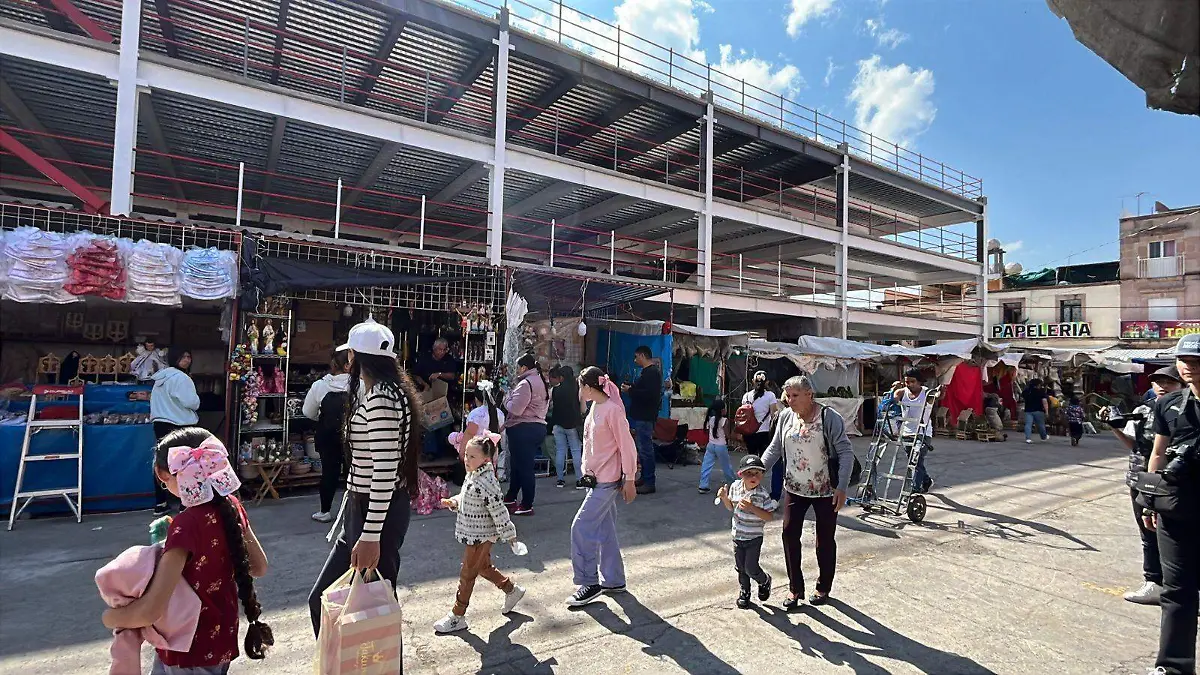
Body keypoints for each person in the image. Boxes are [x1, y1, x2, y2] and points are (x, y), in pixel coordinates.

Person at [103, 428, 271, 673]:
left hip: (186, 648)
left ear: (162, 474)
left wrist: (111, 618)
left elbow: (150, 610)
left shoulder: (186, 525)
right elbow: (259, 566)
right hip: (221, 637)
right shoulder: (231, 505)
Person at [308, 318, 422, 637]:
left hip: (376, 511)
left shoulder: (382, 398)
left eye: (350, 354)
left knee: (376, 614)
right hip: (368, 509)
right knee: (342, 604)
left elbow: (385, 469)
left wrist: (371, 534)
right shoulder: (385, 391)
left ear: (356, 358)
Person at [762, 375, 855, 609]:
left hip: (825, 490)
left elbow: (845, 452)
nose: (790, 400)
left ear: (809, 395)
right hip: (794, 487)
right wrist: (755, 471)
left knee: (824, 541)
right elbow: (774, 449)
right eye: (788, 396)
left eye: (795, 396)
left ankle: (823, 587)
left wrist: (841, 487)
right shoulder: (785, 417)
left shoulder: (828, 418)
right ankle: (795, 589)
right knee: (789, 535)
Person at [1145, 335, 1200, 675]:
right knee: (1177, 590)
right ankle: (1174, 667)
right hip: (1175, 505)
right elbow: (1158, 453)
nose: (1188, 365)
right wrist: (1150, 501)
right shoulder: (1168, 405)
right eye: (1184, 359)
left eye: (1196, 360)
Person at [433, 435, 526, 634]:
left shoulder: (487, 482)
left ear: (486, 459)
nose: (467, 460)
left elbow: (499, 511)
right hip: (474, 533)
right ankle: (512, 590)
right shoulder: (473, 474)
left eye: (472, 456)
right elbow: (467, 497)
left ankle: (457, 615)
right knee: (483, 568)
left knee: (467, 573)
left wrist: (510, 536)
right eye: (466, 455)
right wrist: (454, 502)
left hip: (481, 536)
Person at [1111, 366, 1183, 605]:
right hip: (1141, 478)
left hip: (1176, 481)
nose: (1162, 387)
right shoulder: (1142, 410)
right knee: (1147, 533)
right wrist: (1115, 427)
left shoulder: (1186, 411)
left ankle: (1183, 586)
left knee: (1179, 535)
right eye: (1157, 382)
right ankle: (1153, 581)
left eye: (1169, 382)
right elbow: (1134, 445)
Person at [568, 366, 638, 607]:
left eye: (581, 387)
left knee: (581, 526)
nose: (580, 391)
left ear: (588, 387)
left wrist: (630, 479)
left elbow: (627, 446)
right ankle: (614, 580)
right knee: (605, 531)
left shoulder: (613, 411)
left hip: (607, 481)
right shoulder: (596, 408)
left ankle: (589, 581)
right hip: (596, 480)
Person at [716, 455, 777, 609]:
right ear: (741, 474)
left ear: (762, 475)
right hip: (738, 535)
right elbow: (731, 507)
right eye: (749, 473)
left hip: (754, 536)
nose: (753, 477)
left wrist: (752, 508)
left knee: (750, 567)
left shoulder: (762, 495)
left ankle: (764, 580)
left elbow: (769, 516)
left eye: (757, 473)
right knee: (740, 568)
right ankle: (745, 592)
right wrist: (724, 497)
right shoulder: (736, 487)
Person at [150, 347, 201, 516]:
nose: (187, 360)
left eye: (188, 356)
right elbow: (192, 402)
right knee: (184, 464)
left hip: (160, 424)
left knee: (162, 463)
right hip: (180, 425)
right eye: (183, 357)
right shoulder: (181, 378)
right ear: (174, 359)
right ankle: (185, 503)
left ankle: (160, 502)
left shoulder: (160, 379)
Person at [303, 351, 352, 523]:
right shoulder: (358, 385)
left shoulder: (319, 386)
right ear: (347, 365)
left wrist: (322, 418)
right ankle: (352, 512)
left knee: (329, 473)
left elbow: (308, 412)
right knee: (352, 474)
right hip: (352, 436)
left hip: (327, 436)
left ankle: (325, 511)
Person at [503, 354, 549, 516]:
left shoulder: (526, 383)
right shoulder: (539, 381)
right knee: (518, 465)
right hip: (535, 427)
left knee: (524, 468)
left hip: (524, 428)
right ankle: (511, 496)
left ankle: (527, 504)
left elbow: (515, 409)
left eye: (518, 367)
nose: (516, 370)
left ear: (523, 367)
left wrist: (506, 398)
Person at [622, 346, 662, 495]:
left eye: (636, 356)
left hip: (645, 417)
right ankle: (645, 478)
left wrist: (630, 391)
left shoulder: (652, 373)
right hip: (641, 416)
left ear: (642, 356)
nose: (635, 360)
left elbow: (650, 395)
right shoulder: (647, 373)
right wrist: (631, 387)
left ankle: (649, 481)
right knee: (642, 449)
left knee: (646, 450)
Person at [415, 337, 460, 458]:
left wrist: (439, 374)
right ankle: (430, 452)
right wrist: (424, 385)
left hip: (444, 396)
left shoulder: (448, 360)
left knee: (444, 423)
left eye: (444, 350)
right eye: (439, 349)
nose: (442, 352)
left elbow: (452, 375)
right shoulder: (425, 359)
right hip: (428, 395)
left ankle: (445, 451)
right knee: (430, 423)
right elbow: (416, 375)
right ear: (434, 349)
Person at [892, 369, 934, 494]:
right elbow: (894, 398)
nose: (909, 384)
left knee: (916, 459)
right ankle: (926, 480)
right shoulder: (902, 392)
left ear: (919, 382)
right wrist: (895, 390)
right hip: (906, 432)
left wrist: (940, 391)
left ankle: (915, 489)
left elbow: (936, 396)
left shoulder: (927, 393)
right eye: (907, 382)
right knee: (913, 461)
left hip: (923, 432)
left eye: (912, 382)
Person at [741, 371, 781, 499]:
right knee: (765, 463)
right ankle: (761, 490)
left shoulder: (746, 396)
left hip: (749, 433)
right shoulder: (770, 396)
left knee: (751, 462)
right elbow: (774, 414)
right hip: (764, 433)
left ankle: (749, 488)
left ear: (753, 382)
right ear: (767, 382)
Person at [549, 365, 584, 489]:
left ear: (562, 377)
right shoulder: (577, 389)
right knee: (575, 451)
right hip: (573, 424)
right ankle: (579, 479)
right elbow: (581, 407)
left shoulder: (555, 390)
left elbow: (552, 406)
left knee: (560, 451)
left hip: (558, 424)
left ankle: (560, 480)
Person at [454, 381, 505, 459]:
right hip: (494, 452)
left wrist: (462, 453)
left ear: (476, 398)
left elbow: (469, 434)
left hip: (476, 452)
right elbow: (503, 434)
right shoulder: (500, 413)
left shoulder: (476, 414)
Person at [699, 397, 736, 494]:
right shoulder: (724, 420)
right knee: (726, 466)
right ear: (722, 410)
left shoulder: (711, 419)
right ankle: (733, 483)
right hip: (721, 446)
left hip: (711, 445)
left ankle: (703, 485)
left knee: (706, 465)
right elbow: (728, 435)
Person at [1023, 377, 1050, 444]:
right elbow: (1044, 401)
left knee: (1028, 424)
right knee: (1041, 425)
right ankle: (1043, 437)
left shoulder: (1026, 391)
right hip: (1038, 410)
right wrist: (1046, 411)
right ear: (1038, 385)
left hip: (1028, 410)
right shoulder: (1041, 391)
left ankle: (1028, 438)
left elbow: (1023, 398)